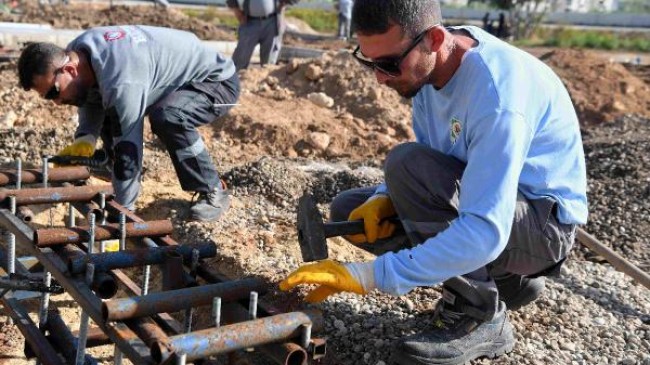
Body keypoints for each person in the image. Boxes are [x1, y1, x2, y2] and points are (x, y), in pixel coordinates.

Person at [280, 0, 588, 364]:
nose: (380, 77)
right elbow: (436, 155)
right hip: (496, 204)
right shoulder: (431, 70)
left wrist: (368, 276)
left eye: (389, 64)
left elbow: (484, 230)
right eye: (369, 62)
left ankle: (478, 317)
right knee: (351, 209)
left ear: (435, 39)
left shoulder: (496, 97)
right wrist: (385, 196)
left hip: (541, 228)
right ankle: (507, 283)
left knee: (405, 167)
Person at [18, 25, 239, 222]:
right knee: (101, 99)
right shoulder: (77, 52)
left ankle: (213, 189)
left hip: (215, 82)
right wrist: (85, 139)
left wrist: (123, 213)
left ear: (69, 70)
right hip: (164, 77)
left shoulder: (121, 79)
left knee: (169, 117)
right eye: (48, 97)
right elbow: (91, 96)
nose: (56, 102)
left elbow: (129, 149)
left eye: (54, 92)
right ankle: (109, 164)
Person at [227, 0, 299, 70]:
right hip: (249, 22)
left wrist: (285, 2)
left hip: (272, 22)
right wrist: (236, 10)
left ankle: (265, 81)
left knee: (268, 64)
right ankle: (232, 80)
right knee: (240, 59)